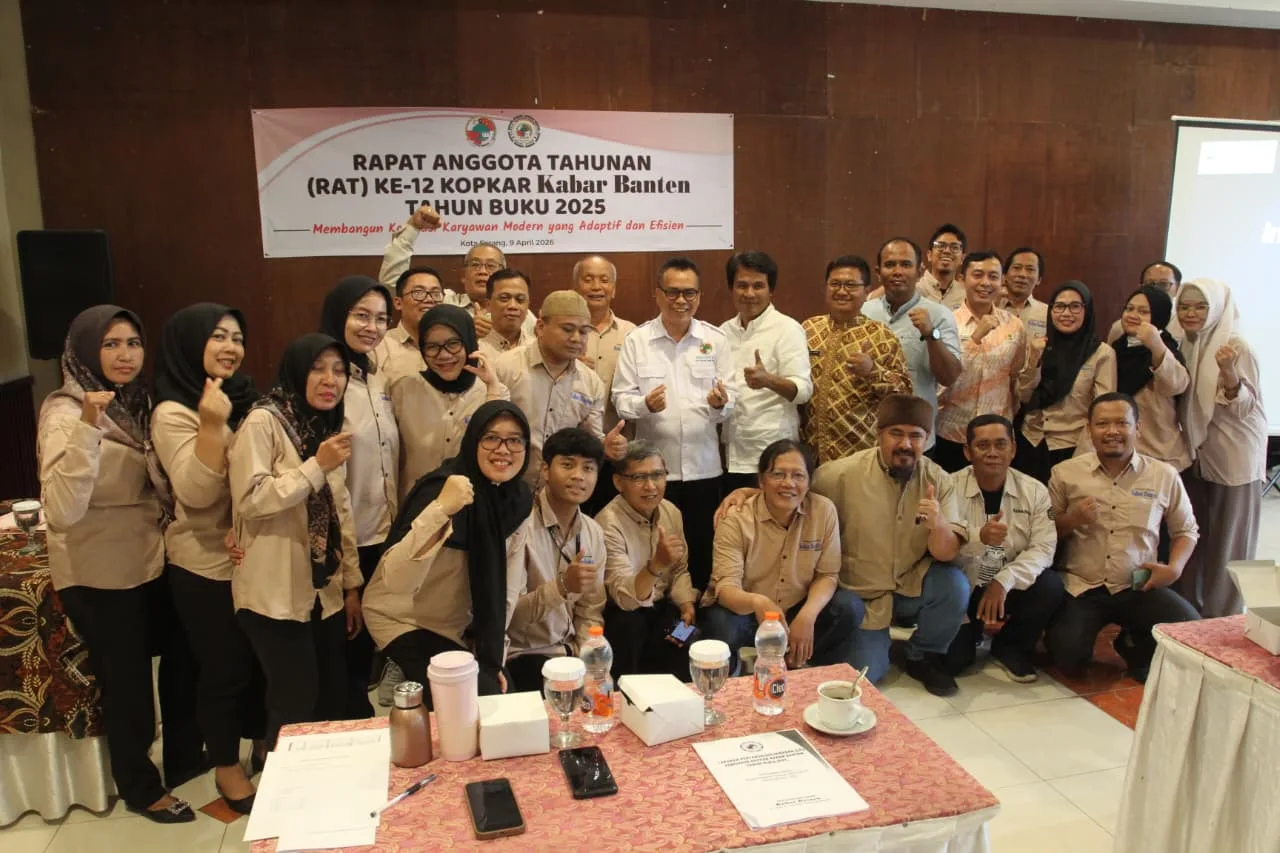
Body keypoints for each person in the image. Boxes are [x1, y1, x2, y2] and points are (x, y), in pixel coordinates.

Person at [40, 305, 204, 824]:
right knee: (129, 681)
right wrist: (88, 425)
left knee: (184, 656)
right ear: (86, 350)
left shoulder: (139, 401)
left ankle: (182, 756)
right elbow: (62, 509)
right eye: (110, 344)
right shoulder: (65, 411)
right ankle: (139, 786)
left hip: (152, 557)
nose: (124, 354)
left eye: (133, 343)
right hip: (100, 569)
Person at [152, 303, 264, 814]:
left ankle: (263, 745)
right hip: (203, 565)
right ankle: (225, 767)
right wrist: (212, 425)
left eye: (237, 337)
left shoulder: (245, 398)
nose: (231, 347)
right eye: (218, 336)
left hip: (251, 559)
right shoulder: (175, 411)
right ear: (190, 344)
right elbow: (197, 494)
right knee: (224, 671)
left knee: (259, 663)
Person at [229, 334, 363, 748]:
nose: (330, 380)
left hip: (323, 591)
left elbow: (340, 509)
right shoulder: (263, 422)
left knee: (330, 696)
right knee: (294, 702)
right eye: (318, 369)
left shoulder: (323, 425)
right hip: (275, 592)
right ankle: (279, 788)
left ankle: (320, 787)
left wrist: (352, 584)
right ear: (295, 372)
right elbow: (251, 500)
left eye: (339, 371)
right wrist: (314, 467)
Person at [361, 401, 533, 702]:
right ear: (472, 441)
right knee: (474, 698)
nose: (503, 449)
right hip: (404, 617)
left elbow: (506, 588)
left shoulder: (517, 500)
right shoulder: (441, 489)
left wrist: (493, 655)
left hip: (459, 627)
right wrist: (442, 509)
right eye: (491, 438)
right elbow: (397, 582)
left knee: (506, 697)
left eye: (515, 440)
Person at [813, 394, 969, 696]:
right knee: (867, 676)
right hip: (861, 594)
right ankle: (866, 645)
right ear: (878, 434)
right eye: (896, 433)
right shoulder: (837, 475)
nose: (906, 444)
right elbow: (792, 498)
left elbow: (946, 552)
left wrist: (937, 524)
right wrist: (743, 493)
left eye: (916, 436)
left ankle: (921, 654)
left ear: (927, 438)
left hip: (909, 585)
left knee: (954, 585)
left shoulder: (939, 480)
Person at [1046, 393, 1200, 681]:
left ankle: (1133, 643)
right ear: (1089, 429)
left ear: (1137, 428)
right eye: (1102, 423)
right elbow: (1044, 533)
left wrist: (1174, 568)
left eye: (1121, 423)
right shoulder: (1065, 473)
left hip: (1138, 583)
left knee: (1189, 628)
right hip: (1082, 585)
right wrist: (1073, 519)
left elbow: (1186, 530)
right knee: (1067, 656)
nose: (1112, 431)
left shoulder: (1163, 475)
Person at [613, 257, 735, 592]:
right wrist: (643, 405)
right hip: (653, 474)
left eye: (689, 293)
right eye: (673, 292)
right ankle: (658, 615)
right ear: (658, 294)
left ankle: (696, 621)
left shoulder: (714, 340)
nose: (681, 300)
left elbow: (733, 396)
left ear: (699, 296)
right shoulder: (638, 341)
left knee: (700, 552)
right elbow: (620, 398)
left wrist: (720, 403)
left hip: (704, 469)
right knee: (655, 550)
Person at [702, 440, 864, 673]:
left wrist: (807, 616)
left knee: (849, 607)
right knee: (720, 624)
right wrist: (758, 602)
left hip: (795, 608)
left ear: (809, 482)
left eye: (798, 475)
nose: (788, 483)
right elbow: (726, 588)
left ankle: (797, 661)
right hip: (747, 610)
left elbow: (827, 574)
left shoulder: (824, 511)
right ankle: (733, 679)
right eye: (778, 474)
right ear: (761, 480)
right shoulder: (736, 518)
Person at [319, 276, 399, 718]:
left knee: (363, 647)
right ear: (339, 315)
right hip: (341, 541)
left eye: (381, 318)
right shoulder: (327, 380)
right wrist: (349, 570)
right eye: (361, 315)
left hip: (380, 533)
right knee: (341, 651)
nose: (372, 326)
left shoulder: (375, 377)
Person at [942, 415, 1062, 682]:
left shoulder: (1035, 491)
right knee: (953, 662)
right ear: (967, 451)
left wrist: (1002, 581)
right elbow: (942, 548)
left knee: (1050, 585)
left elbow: (1044, 548)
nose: (992, 453)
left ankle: (1011, 646)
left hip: (1009, 584)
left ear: (1014, 449)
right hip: (965, 585)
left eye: (1000, 444)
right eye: (983, 445)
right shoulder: (948, 487)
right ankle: (969, 632)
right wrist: (978, 537)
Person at [1175, 279, 1267, 617]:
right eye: (1184, 306)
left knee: (1230, 542)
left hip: (1233, 458)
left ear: (1216, 308)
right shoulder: (1187, 341)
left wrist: (1229, 372)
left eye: (1200, 306)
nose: (1191, 313)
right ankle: (1192, 614)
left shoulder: (1236, 346)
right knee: (1198, 535)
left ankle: (1223, 617)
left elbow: (1245, 406)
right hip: (1198, 453)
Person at [506, 428, 608, 691]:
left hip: (571, 654)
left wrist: (592, 664)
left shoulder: (592, 532)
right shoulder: (519, 527)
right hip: (523, 654)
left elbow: (590, 611)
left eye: (588, 468)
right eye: (567, 465)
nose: (578, 476)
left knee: (610, 705)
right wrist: (562, 587)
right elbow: (509, 618)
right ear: (545, 471)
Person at [493, 289, 624, 492]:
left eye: (583, 332)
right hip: (504, 487)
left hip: (558, 494)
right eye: (567, 329)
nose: (576, 338)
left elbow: (589, 440)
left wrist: (605, 447)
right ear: (541, 326)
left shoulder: (591, 383)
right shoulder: (506, 368)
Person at [595, 440, 698, 681]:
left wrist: (685, 603)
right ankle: (623, 701)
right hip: (623, 613)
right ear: (619, 482)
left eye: (657, 475)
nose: (650, 486)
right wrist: (656, 565)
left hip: (662, 608)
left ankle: (678, 705)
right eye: (639, 478)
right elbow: (625, 599)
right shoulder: (608, 523)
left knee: (687, 637)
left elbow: (680, 568)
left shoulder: (670, 511)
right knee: (629, 628)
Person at [391, 305, 509, 502]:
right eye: (432, 346)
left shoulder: (491, 392)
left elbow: (499, 450)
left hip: (471, 510)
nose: (444, 355)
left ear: (469, 343)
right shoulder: (403, 389)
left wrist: (493, 388)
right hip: (415, 510)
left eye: (453, 344)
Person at [802, 254, 911, 463]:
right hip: (810, 457)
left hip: (859, 456)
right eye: (835, 284)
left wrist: (873, 372)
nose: (842, 291)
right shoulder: (807, 329)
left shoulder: (882, 336)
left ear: (866, 290)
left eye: (851, 285)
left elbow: (905, 394)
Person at [719, 251, 813, 493]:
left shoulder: (787, 329)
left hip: (773, 455)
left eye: (758, 286)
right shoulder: (722, 332)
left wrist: (768, 381)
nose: (749, 294)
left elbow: (803, 390)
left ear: (771, 290)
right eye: (742, 285)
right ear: (731, 289)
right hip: (730, 453)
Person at [862, 238, 962, 452]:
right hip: (865, 436)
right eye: (890, 265)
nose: (897, 271)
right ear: (878, 272)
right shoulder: (863, 313)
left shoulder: (939, 315)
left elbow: (950, 376)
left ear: (920, 271)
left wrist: (931, 334)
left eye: (906, 265)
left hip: (916, 440)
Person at [377, 205, 535, 340]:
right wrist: (412, 228)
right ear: (463, 277)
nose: (482, 271)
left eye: (491, 266)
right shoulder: (441, 301)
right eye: (475, 264)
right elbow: (393, 285)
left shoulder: (520, 313)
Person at [1014, 281, 1116, 482]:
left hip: (1070, 447)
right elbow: (1024, 395)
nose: (1066, 313)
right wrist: (1034, 358)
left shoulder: (1101, 354)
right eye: (1059, 306)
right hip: (1031, 440)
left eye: (1075, 306)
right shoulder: (1040, 345)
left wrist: (1084, 457)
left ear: (1087, 311)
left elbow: (1103, 412)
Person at [934, 251, 1027, 473]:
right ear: (962, 278)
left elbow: (1015, 378)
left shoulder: (1014, 325)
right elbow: (941, 377)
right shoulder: (946, 321)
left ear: (1002, 281)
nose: (985, 283)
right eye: (977, 275)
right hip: (952, 431)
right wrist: (975, 339)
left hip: (997, 435)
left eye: (993, 276)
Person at [574, 254, 636, 515]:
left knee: (611, 524)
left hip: (618, 452)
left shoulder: (632, 333)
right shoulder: (563, 333)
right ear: (576, 286)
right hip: (574, 450)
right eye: (588, 280)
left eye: (604, 280)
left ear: (613, 288)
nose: (596, 287)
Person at [1112, 286, 1190, 473]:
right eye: (1129, 309)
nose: (1133, 315)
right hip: (1122, 452)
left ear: (1159, 316)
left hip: (1159, 454)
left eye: (1144, 311)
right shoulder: (1117, 347)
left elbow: (1177, 385)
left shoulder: (1167, 349)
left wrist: (1156, 346)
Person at [372, 263, 444, 385]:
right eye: (418, 292)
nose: (429, 299)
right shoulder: (379, 346)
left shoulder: (453, 348)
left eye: (435, 293)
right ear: (398, 303)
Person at [1107, 262, 1184, 346]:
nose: (1156, 289)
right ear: (1141, 287)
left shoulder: (1184, 325)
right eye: (1150, 284)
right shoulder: (1121, 326)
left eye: (1163, 284)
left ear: (1178, 288)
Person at [475, 268, 533, 361]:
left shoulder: (537, 347)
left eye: (520, 299)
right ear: (488, 304)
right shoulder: (475, 345)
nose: (513, 306)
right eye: (504, 298)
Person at [1000, 247, 1048, 343]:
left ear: (1039, 280)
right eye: (1016, 268)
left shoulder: (1048, 313)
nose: (1022, 275)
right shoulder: (991, 308)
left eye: (1030, 269)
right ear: (1004, 276)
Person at [916, 224, 967, 309]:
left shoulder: (965, 297)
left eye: (954, 247)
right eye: (940, 246)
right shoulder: (913, 290)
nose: (947, 251)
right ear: (929, 255)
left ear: (962, 258)